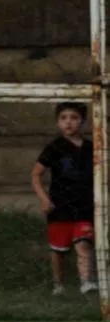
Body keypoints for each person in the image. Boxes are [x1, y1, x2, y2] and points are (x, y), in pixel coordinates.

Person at [31, 102, 97, 295]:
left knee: (84, 243)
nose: (68, 123)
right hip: (59, 207)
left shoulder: (92, 148)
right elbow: (35, 175)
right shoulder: (54, 148)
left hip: (84, 205)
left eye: (74, 118)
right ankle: (58, 285)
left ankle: (87, 282)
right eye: (63, 118)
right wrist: (44, 199)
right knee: (58, 251)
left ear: (83, 122)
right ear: (58, 122)